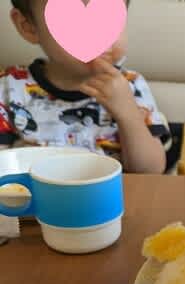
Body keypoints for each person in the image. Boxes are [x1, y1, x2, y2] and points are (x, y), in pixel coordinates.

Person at [0, 0, 169, 173]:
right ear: (28, 26)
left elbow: (150, 171)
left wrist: (128, 114)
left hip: (113, 190)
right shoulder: (9, 87)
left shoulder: (130, 85)